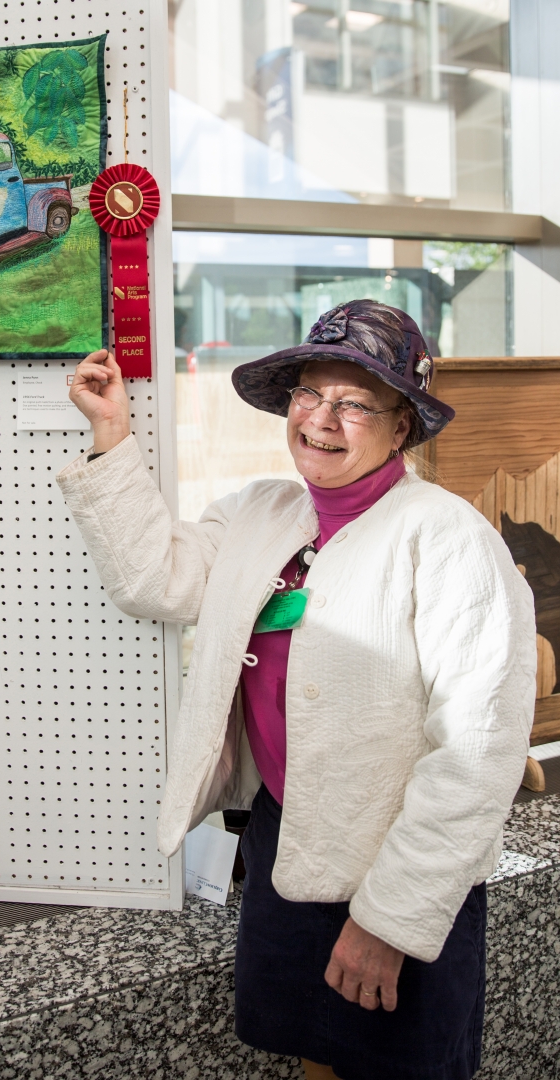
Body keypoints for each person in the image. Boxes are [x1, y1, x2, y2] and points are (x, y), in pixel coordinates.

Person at [56, 299, 536, 1080]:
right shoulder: (261, 512)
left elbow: (475, 755)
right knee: (313, 1056)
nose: (321, 419)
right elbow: (154, 579)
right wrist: (111, 432)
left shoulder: (448, 539)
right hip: (285, 844)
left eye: (354, 402)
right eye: (309, 393)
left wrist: (386, 922)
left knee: (397, 1067)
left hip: (400, 863)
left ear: (400, 427)